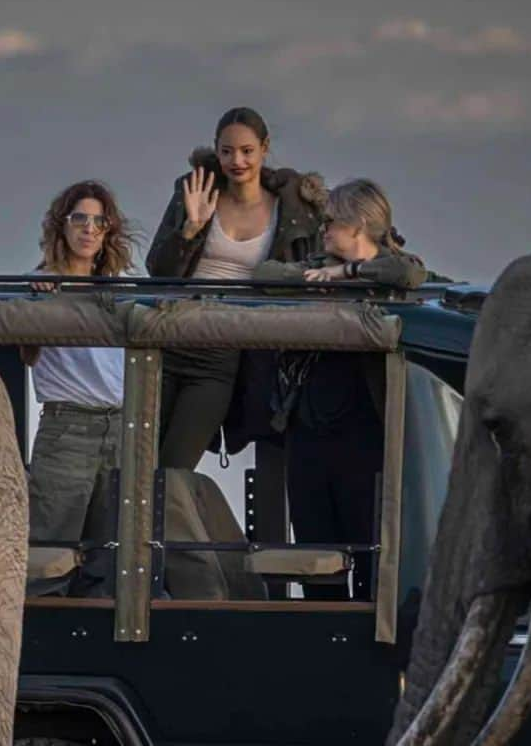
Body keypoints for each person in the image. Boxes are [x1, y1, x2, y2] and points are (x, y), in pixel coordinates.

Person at [146, 106, 326, 469]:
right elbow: (158, 270)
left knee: (174, 469)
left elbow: (308, 276)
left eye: (246, 151)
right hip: (171, 335)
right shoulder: (195, 191)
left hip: (223, 354)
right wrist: (190, 231)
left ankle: (169, 524)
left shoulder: (292, 210)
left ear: (264, 148)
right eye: (226, 151)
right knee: (136, 463)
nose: (236, 161)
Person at [278, 179, 427, 600]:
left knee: (371, 558)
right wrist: (315, 278)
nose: (323, 228)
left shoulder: (391, 272)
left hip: (365, 440)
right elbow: (265, 274)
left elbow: (410, 271)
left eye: (331, 221)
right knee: (314, 557)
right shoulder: (314, 264)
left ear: (359, 224)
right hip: (309, 435)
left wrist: (348, 273)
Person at [23, 181, 137, 590]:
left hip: (121, 425)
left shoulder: (120, 289)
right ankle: (38, 645)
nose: (89, 229)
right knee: (48, 554)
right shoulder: (39, 284)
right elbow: (22, 346)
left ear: (109, 231)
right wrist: (39, 305)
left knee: (110, 557)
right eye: (79, 219)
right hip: (68, 425)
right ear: (62, 225)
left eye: (99, 221)